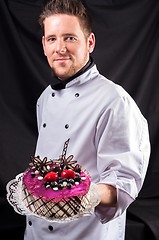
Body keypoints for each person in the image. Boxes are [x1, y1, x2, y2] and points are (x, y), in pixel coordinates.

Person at [24, 0, 150, 239]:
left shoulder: (114, 101)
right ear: (44, 45)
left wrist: (78, 193)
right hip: (36, 231)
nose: (59, 47)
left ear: (89, 42)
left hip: (85, 232)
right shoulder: (45, 98)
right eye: (52, 39)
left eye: (70, 38)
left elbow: (124, 183)